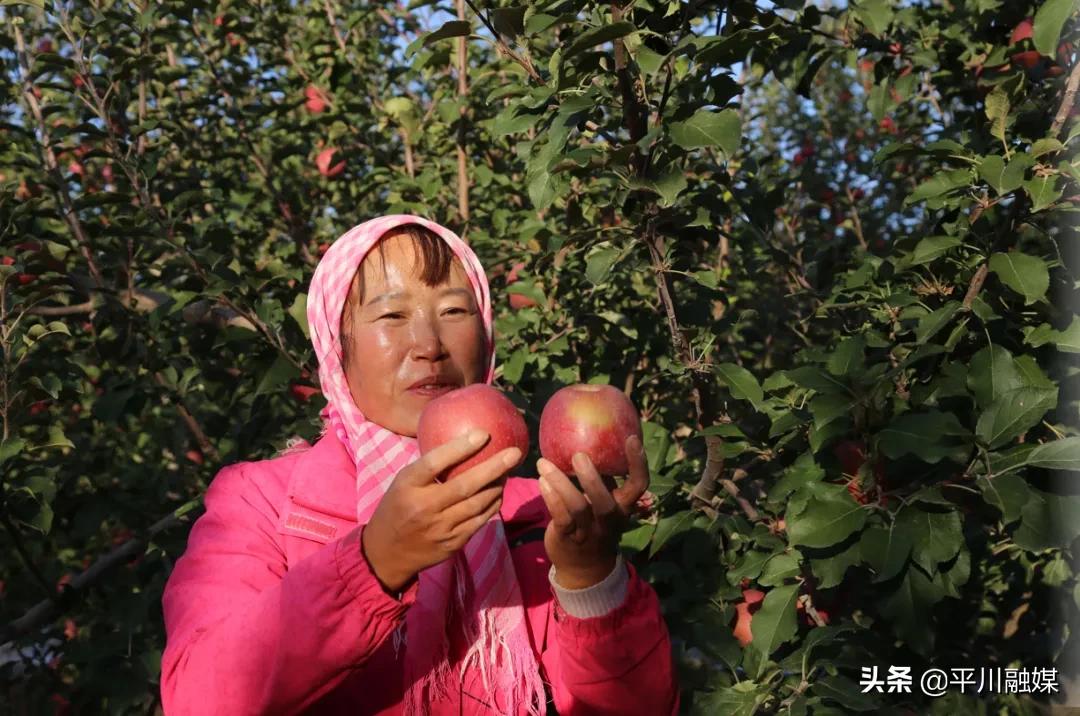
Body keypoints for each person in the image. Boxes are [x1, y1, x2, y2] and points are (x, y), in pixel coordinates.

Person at [159, 214, 680, 715]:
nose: (429, 345)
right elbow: (199, 697)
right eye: (390, 315)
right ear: (336, 348)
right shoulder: (263, 502)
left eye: (454, 312)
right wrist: (374, 563)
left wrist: (590, 579)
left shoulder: (546, 516)